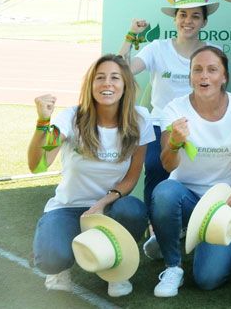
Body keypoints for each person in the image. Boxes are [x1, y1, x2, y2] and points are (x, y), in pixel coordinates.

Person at [30, 55, 152, 297]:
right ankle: (60, 262)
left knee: (133, 210)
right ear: (90, 85)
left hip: (109, 208)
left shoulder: (140, 118)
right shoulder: (71, 117)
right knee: (51, 259)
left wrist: (103, 203)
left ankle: (117, 268)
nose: (107, 83)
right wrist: (43, 121)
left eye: (114, 77)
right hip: (68, 207)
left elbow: (131, 177)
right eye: (100, 78)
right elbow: (39, 164)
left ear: (125, 83)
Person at [150, 46, 231, 296]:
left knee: (208, 279)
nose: (204, 76)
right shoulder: (174, 109)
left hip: (222, 206)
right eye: (197, 70)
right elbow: (168, 165)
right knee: (164, 192)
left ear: (224, 77)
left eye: (212, 69)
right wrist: (174, 141)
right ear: (190, 76)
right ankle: (173, 265)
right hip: (184, 197)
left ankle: (181, 234)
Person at [119, 0, 215, 215]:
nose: (188, 21)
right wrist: (131, 35)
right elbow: (123, 70)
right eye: (182, 15)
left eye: (195, 16)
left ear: (204, 22)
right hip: (159, 123)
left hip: (198, 125)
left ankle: (192, 221)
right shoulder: (157, 48)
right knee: (154, 165)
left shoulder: (213, 52)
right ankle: (154, 227)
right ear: (175, 19)